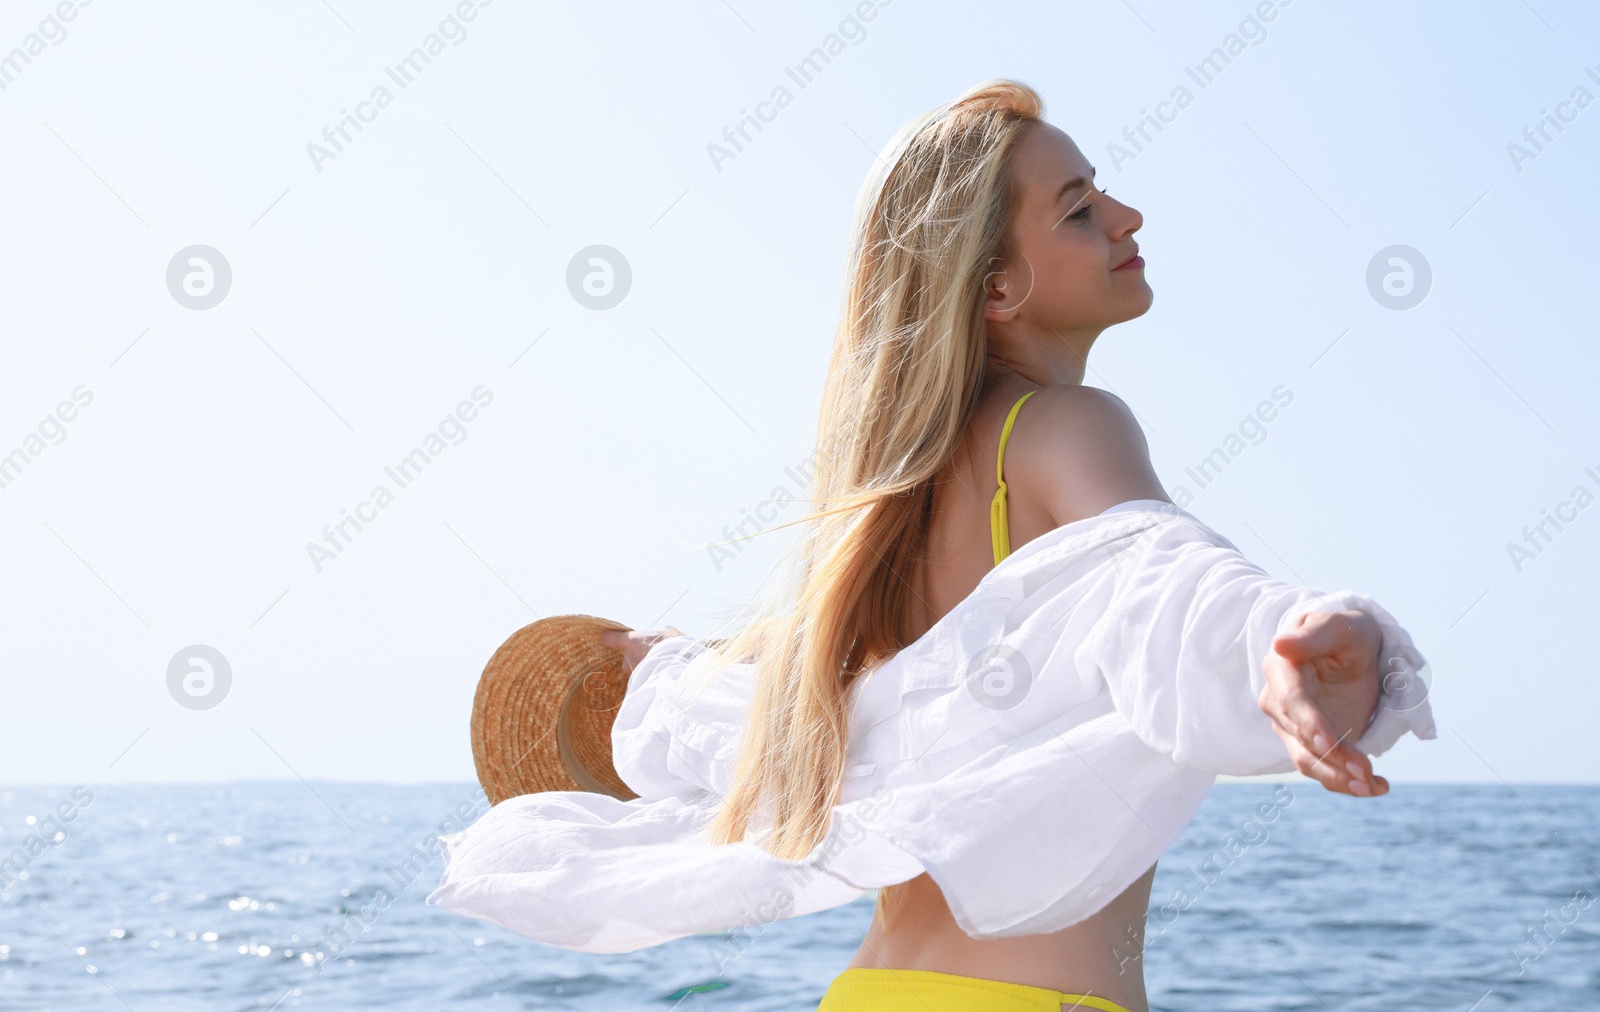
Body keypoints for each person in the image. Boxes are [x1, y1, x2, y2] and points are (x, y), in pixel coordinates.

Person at [432, 79, 1434, 1012]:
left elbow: (821, 724)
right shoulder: (1068, 425)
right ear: (995, 287)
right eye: (1080, 209)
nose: (1126, 218)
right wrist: (1282, 632)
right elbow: (1152, 571)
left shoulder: (880, 519)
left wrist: (658, 674)